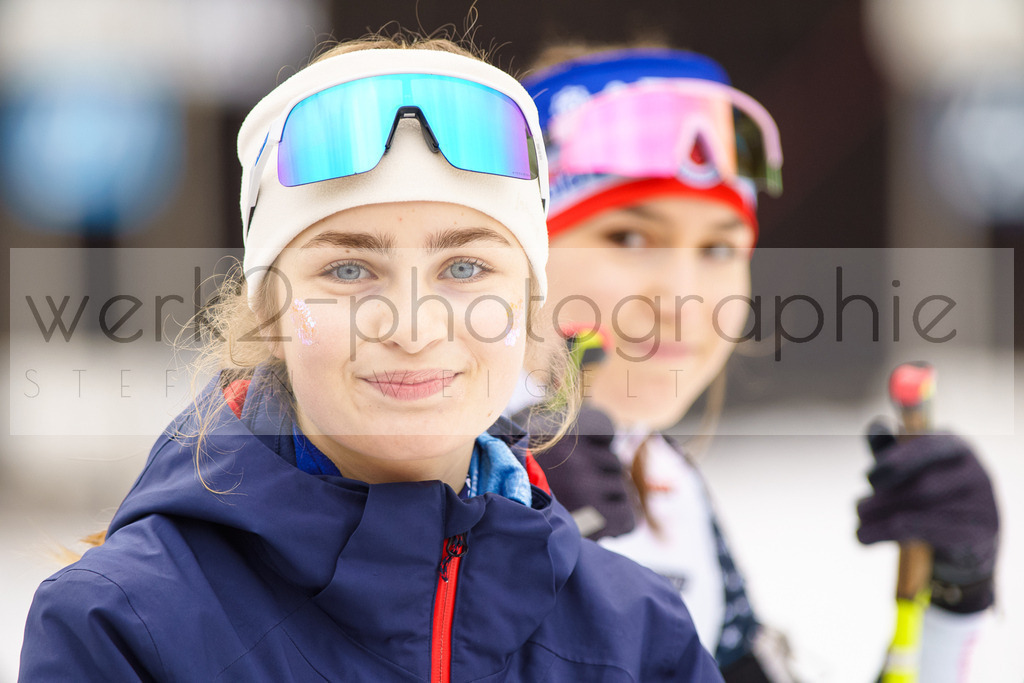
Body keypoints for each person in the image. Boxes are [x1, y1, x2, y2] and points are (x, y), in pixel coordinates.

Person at [18, 37, 725, 682]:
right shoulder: (121, 628)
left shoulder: (641, 635)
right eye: (350, 270)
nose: (412, 327)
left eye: (466, 268)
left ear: (532, 308)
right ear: (270, 315)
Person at [516, 46, 1000, 682]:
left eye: (719, 248)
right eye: (629, 238)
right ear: (517, 255)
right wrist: (515, 552)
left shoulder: (669, 488)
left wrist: (947, 608)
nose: (684, 298)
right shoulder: (427, 474)